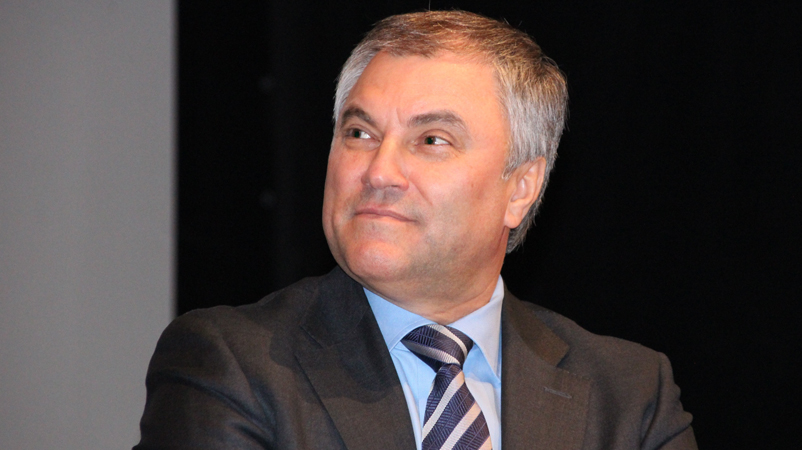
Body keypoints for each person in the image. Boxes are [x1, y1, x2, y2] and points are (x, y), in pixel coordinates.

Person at [134, 10, 697, 450]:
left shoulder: (628, 395)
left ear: (521, 188)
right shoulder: (231, 366)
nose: (379, 171)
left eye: (431, 140)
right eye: (359, 133)